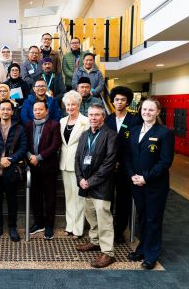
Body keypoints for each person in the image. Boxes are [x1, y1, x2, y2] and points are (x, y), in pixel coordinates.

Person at [125, 98, 174, 270]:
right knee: (142, 217)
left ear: (158, 112)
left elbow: (165, 162)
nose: (146, 112)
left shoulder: (164, 133)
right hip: (136, 183)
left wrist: (145, 177)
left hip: (155, 185)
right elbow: (128, 156)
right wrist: (132, 175)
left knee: (153, 219)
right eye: (144, 109)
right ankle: (142, 248)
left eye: (151, 110)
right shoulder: (134, 130)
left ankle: (152, 254)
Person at [75, 103, 118, 268]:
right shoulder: (85, 135)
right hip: (85, 184)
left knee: (104, 218)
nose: (93, 118)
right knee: (90, 215)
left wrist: (90, 181)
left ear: (103, 117)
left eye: (96, 115)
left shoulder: (111, 135)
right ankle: (94, 241)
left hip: (101, 185)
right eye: (91, 115)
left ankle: (108, 253)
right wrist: (80, 178)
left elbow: (109, 163)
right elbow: (78, 158)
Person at [0, 100, 27, 242]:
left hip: (11, 171)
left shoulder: (19, 129)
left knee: (12, 200)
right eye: (2, 109)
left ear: (12, 111)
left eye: (8, 109)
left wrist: (10, 159)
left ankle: (13, 228)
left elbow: (23, 148)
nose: (5, 111)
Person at [105, 86, 142, 242]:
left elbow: (135, 145)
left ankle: (119, 231)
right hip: (109, 166)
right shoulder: (108, 119)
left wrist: (123, 162)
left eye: (123, 100)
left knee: (123, 200)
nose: (119, 102)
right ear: (113, 101)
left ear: (128, 102)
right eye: (117, 99)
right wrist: (111, 162)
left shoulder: (135, 120)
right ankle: (107, 231)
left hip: (126, 167)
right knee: (107, 200)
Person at [26, 101, 61, 240]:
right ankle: (38, 222)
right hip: (32, 167)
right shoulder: (28, 125)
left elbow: (55, 145)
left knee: (50, 198)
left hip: (48, 167)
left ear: (46, 111)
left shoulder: (54, 125)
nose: (38, 112)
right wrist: (30, 156)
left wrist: (39, 157)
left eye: (41, 109)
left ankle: (49, 226)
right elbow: (24, 143)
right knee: (35, 197)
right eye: (35, 109)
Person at [60, 91, 90, 239]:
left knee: (79, 198)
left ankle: (78, 228)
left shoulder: (86, 121)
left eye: (73, 104)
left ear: (79, 105)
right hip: (64, 163)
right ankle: (69, 225)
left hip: (79, 165)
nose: (70, 107)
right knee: (69, 196)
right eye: (68, 104)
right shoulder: (62, 121)